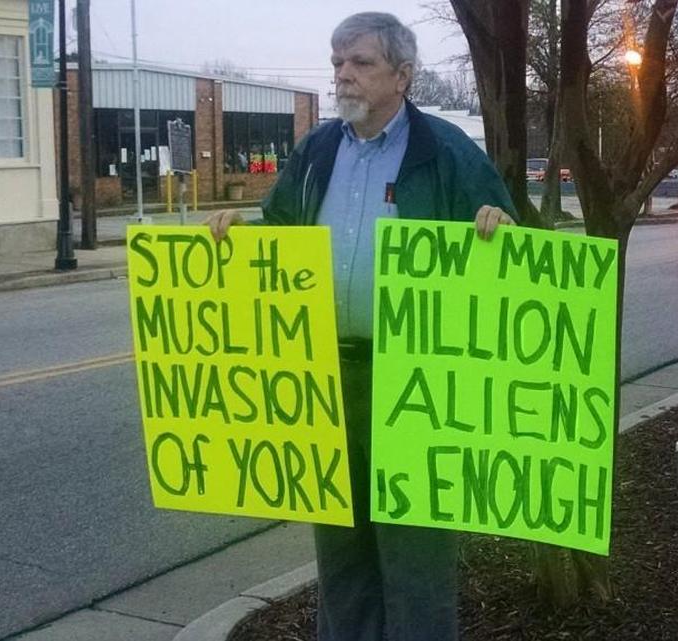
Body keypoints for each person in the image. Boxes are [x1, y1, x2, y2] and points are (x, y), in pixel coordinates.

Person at [206, 12, 517, 641]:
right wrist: (246, 231)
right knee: (340, 552)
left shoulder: (445, 150)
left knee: (416, 556)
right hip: (323, 378)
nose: (343, 75)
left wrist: (497, 226)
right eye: (337, 63)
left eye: (360, 63)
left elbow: (505, 256)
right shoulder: (318, 149)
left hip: (416, 385)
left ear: (402, 76)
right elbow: (284, 236)